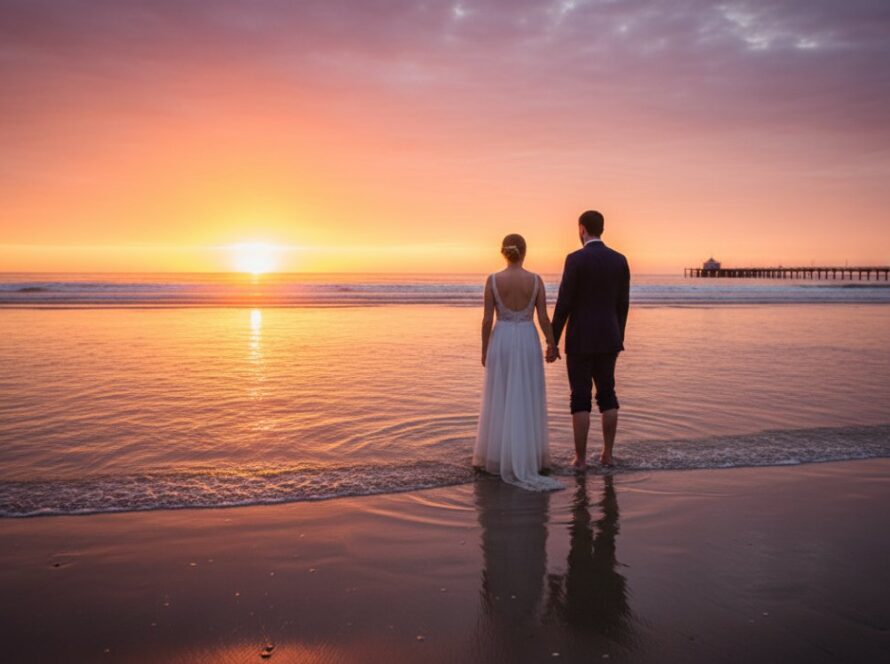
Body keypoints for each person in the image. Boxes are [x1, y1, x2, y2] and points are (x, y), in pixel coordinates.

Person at [473, 234, 563, 491]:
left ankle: (497, 458)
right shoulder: (535, 280)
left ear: (503, 252)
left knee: (500, 395)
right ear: (524, 252)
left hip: (501, 339)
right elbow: (544, 318)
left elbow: (487, 320)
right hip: (526, 338)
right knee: (526, 396)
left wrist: (484, 349)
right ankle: (529, 457)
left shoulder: (492, 280)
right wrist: (552, 344)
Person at [549, 210, 630, 471]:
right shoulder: (620, 260)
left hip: (580, 339)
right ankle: (608, 455)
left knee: (580, 397)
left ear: (582, 229)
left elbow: (564, 303)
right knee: (608, 394)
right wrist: (619, 335)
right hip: (609, 337)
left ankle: (581, 460)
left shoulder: (575, 259)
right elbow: (623, 304)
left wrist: (553, 340)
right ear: (602, 229)